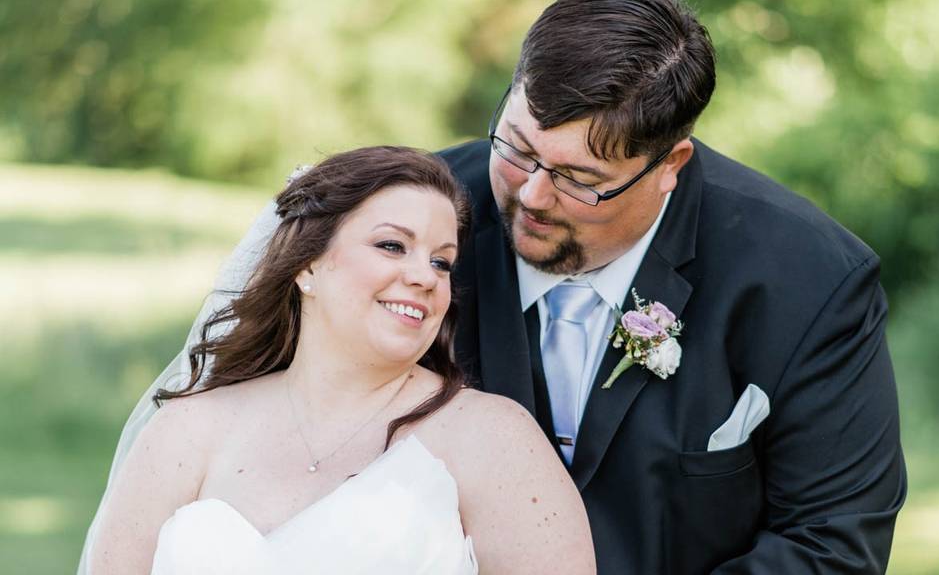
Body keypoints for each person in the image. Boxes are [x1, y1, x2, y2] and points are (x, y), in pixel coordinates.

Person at [440, 0, 906, 573]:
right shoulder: (412, 221)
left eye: (578, 179)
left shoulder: (810, 282)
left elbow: (833, 544)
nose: (531, 194)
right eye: (516, 147)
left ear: (670, 166)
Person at [80, 146, 596, 575]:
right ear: (307, 264)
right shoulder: (190, 428)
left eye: (442, 261)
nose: (425, 276)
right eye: (393, 245)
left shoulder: (495, 439)